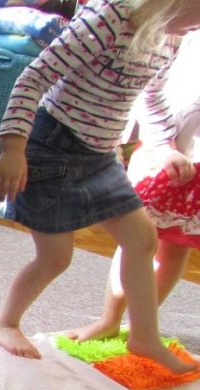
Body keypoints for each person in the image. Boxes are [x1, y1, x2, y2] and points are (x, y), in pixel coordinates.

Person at [0, 0, 199, 373]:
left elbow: (150, 95)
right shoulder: (112, 16)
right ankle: (5, 322)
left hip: (100, 154)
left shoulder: (170, 35)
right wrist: (13, 148)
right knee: (55, 258)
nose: (196, 28)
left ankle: (144, 337)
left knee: (142, 238)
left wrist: (165, 145)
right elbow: (34, 77)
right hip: (52, 145)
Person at [69, 31, 199, 343]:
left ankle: (141, 325)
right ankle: (109, 319)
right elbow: (150, 93)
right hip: (166, 154)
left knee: (176, 248)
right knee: (137, 239)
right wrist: (164, 146)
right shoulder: (184, 34)